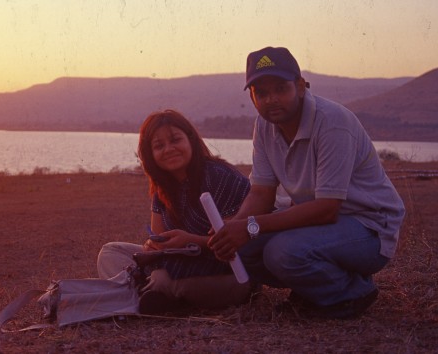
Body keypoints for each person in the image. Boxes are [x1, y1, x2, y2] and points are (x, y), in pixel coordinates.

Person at [208, 47, 406, 319]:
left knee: (282, 252)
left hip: (368, 229)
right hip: (319, 228)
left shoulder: (332, 122)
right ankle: (314, 288)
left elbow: (327, 208)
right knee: (243, 248)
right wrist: (235, 229)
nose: (271, 99)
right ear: (252, 98)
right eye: (261, 93)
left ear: (300, 87)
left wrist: (250, 226)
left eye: (280, 88)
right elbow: (261, 192)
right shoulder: (264, 126)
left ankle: (352, 292)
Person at [97, 109, 253, 314]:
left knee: (165, 277)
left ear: (190, 140)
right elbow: (160, 240)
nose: (168, 149)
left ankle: (149, 293)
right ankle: (154, 296)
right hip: (177, 262)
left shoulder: (219, 176)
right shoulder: (162, 185)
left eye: (175, 140)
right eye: (159, 146)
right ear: (150, 154)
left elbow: (238, 242)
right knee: (111, 252)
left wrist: (190, 241)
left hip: (223, 269)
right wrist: (152, 246)